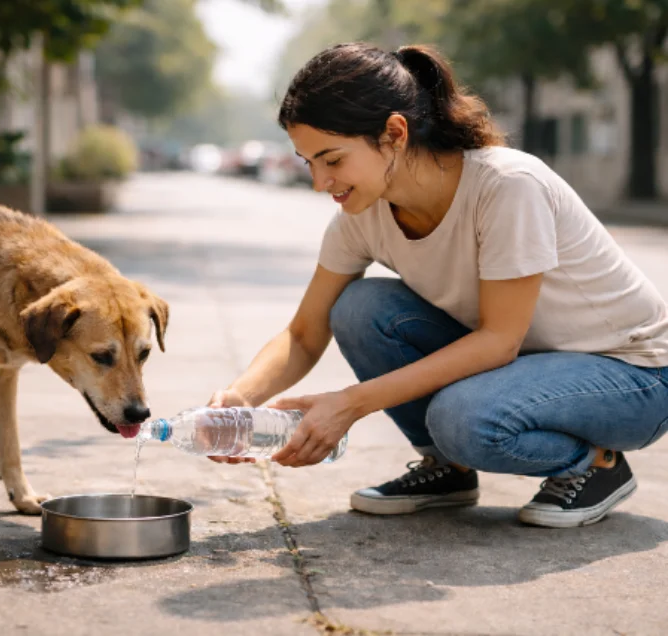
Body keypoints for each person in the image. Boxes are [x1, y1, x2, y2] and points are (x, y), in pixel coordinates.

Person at [207, 42, 668, 529]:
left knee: (462, 418)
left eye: (333, 159)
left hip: (632, 375)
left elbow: (499, 341)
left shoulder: (507, 186)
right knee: (361, 307)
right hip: (530, 366)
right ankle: (447, 469)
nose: (321, 182)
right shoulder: (361, 216)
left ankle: (595, 467)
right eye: (309, 163)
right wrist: (240, 399)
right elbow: (303, 334)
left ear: (394, 133)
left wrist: (348, 405)